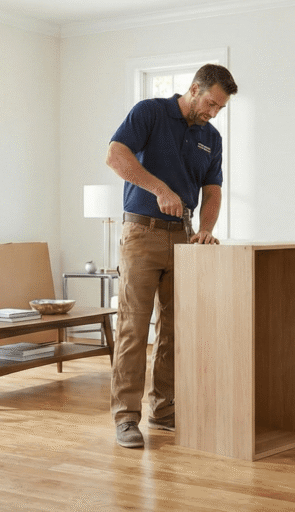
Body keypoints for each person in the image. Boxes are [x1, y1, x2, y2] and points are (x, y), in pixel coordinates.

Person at [105, 64, 238, 448]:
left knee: (175, 329)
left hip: (184, 237)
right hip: (142, 233)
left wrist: (207, 229)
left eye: (220, 108)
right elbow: (115, 155)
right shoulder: (149, 112)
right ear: (194, 89)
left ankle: (163, 410)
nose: (213, 113)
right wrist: (158, 187)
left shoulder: (211, 138)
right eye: (211, 103)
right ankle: (126, 418)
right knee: (133, 327)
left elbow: (212, 191)